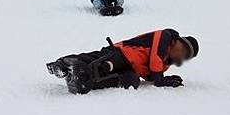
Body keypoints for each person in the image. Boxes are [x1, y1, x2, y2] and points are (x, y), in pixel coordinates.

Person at [47, 28, 199, 94]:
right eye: (183, 48)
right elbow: (155, 62)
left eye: (185, 55)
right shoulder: (165, 36)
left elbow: (151, 75)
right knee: (105, 64)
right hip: (121, 53)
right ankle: (62, 64)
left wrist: (163, 80)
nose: (181, 52)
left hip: (130, 69)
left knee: (131, 81)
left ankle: (83, 81)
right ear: (178, 41)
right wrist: (160, 79)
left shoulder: (165, 64)